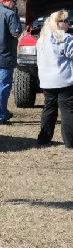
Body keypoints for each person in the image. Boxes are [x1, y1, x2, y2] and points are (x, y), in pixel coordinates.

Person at [36, 9, 73, 147]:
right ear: (57, 23)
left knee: (49, 109)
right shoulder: (66, 38)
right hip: (64, 80)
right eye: (65, 21)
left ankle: (44, 138)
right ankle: (70, 142)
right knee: (68, 111)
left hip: (47, 81)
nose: (68, 23)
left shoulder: (41, 39)